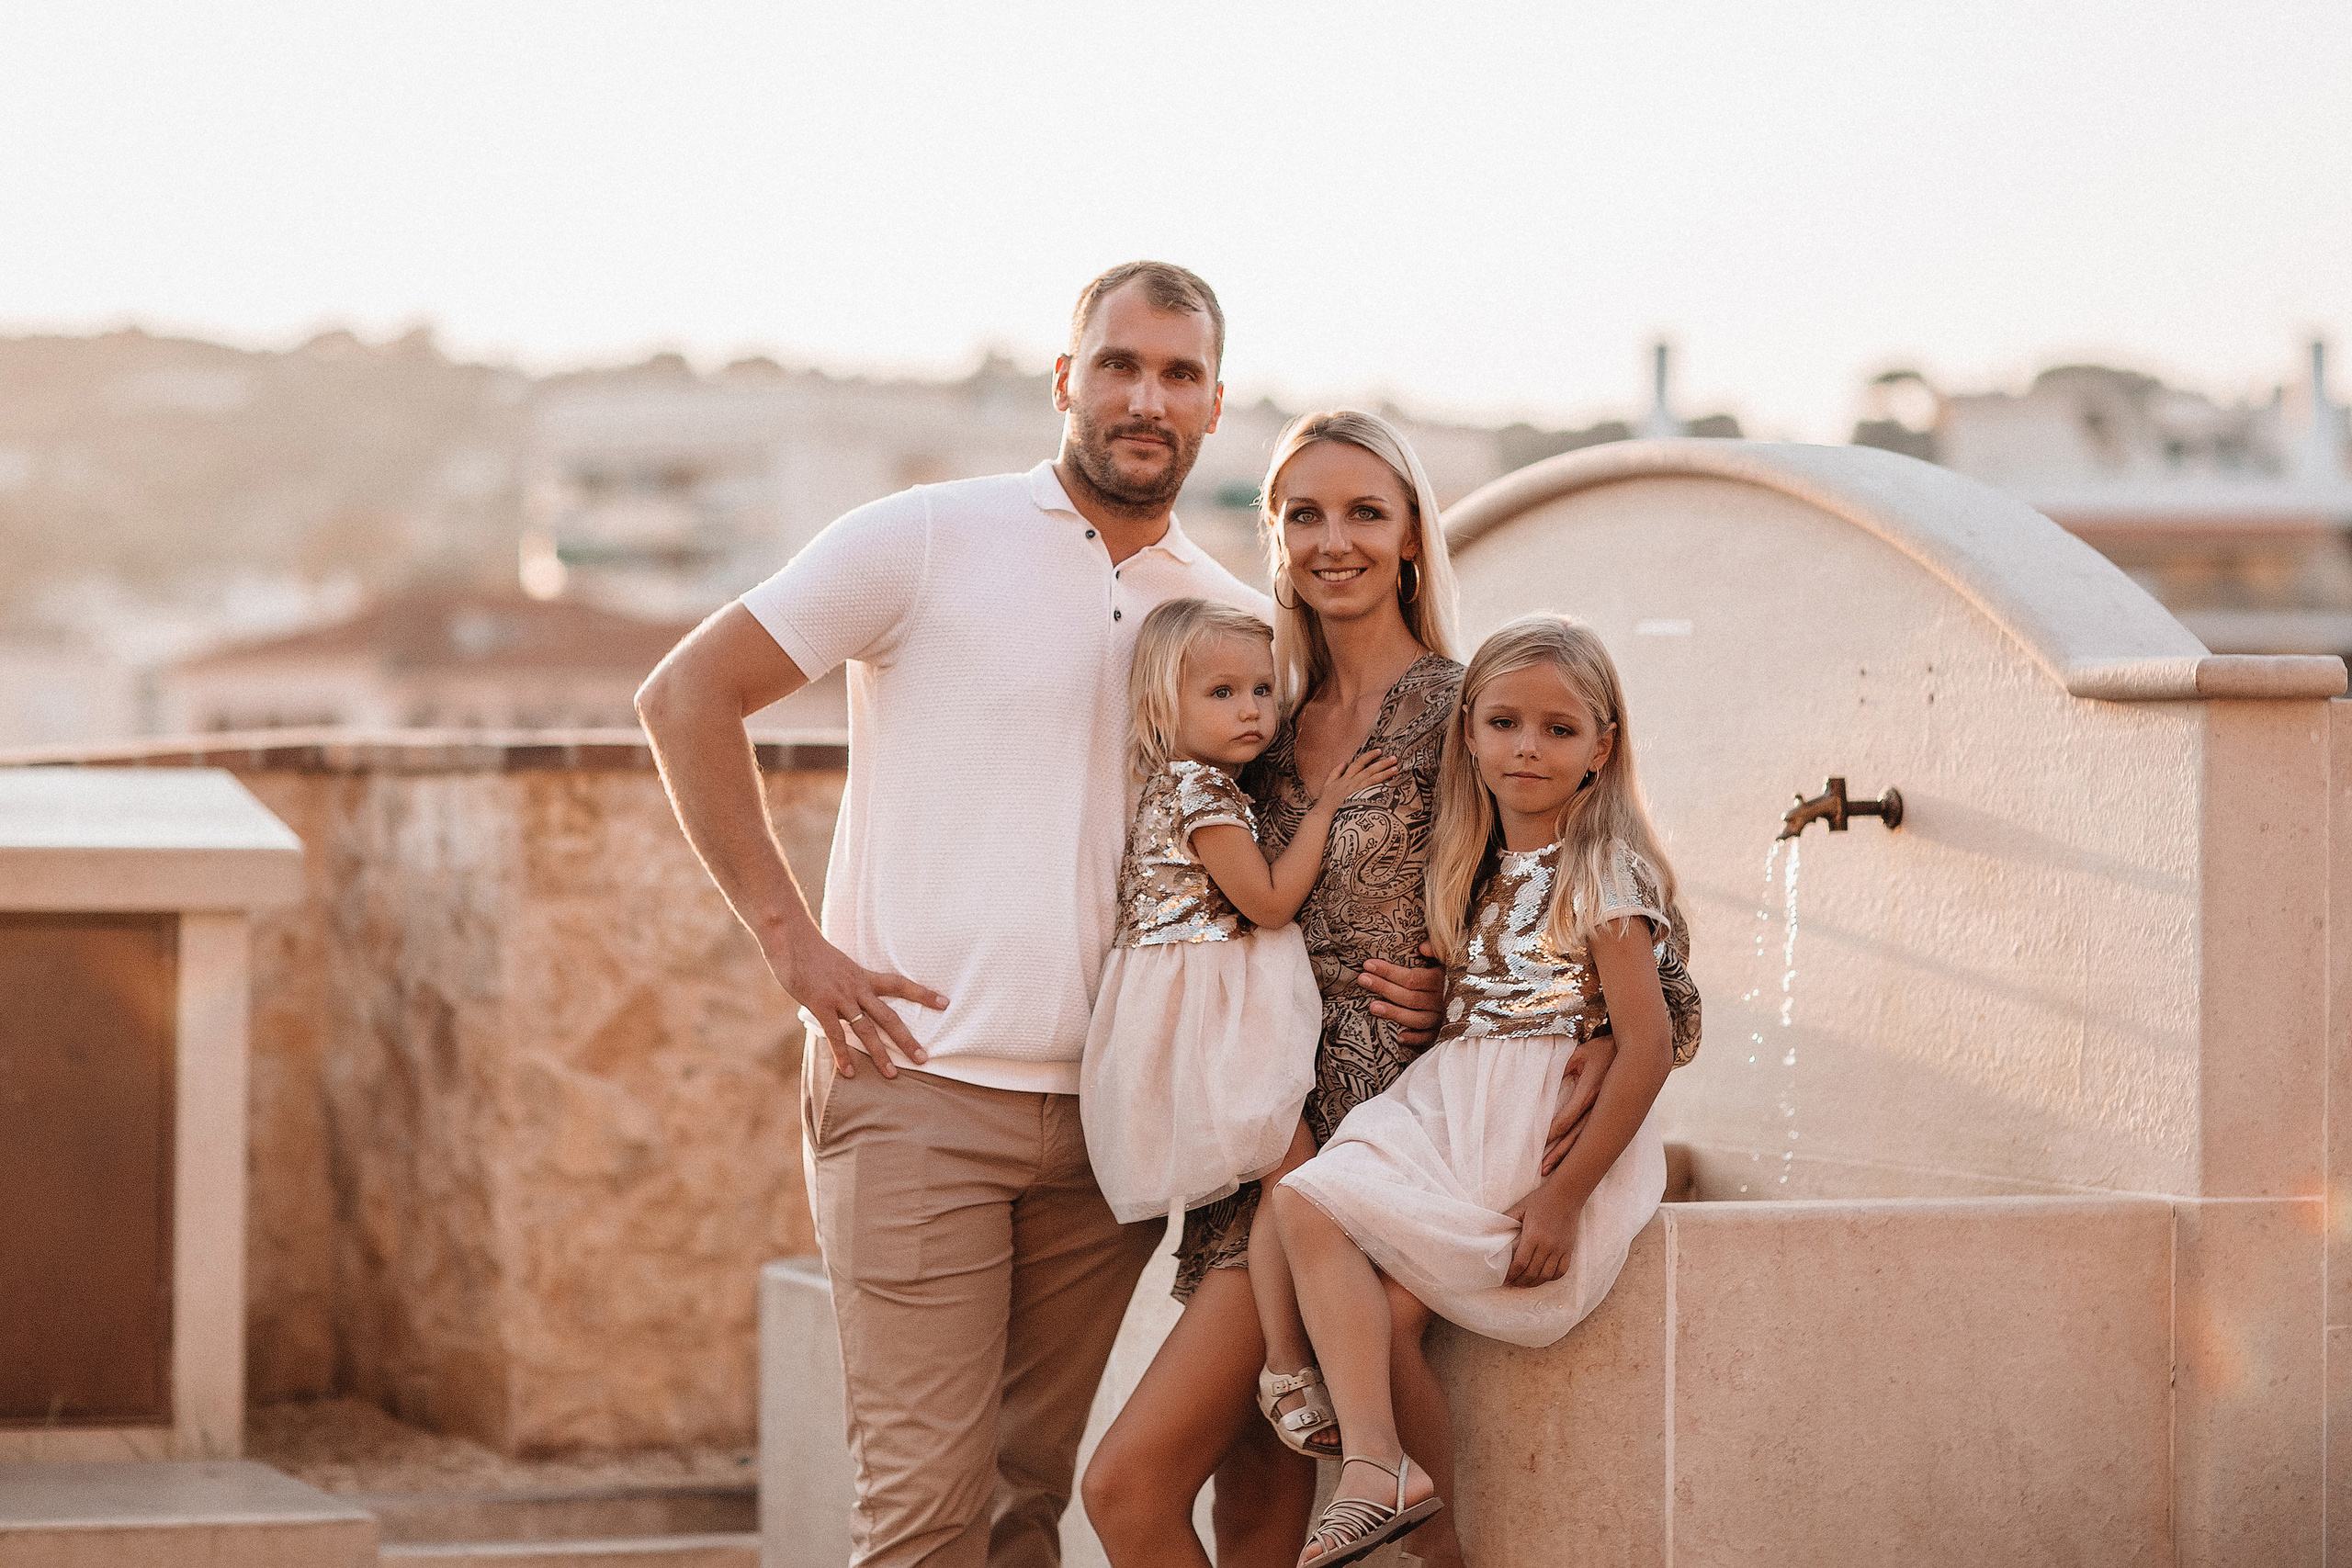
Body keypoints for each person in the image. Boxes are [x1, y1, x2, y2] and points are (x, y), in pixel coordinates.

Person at [634, 264, 1453, 1568]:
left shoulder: (1232, 621)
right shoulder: (921, 536)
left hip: (1111, 1130)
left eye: (1179, 374)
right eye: (1120, 365)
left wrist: (1435, 988)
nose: (1147, 396)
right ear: (1067, 380)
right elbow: (686, 697)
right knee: (923, 1515)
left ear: (1215, 404)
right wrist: (793, 944)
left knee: (1027, 1503)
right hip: (917, 1089)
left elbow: (1294, 873)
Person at [1085, 412, 1583, 1568]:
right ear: (1273, 534)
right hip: (1254, 1123)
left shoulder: (1468, 709)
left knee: (1128, 1486)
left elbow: (1578, 896)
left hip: (1377, 1127)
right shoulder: (1256, 710)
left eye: (1365, 510)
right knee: (1252, 1508)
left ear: (1412, 532)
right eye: (1302, 513)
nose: (1333, 540)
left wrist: (1463, 1003)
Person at [1257, 615, 1695, 1566]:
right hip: (1455, 1099)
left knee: (1384, 1291)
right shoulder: (1474, 868)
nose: (1526, 748)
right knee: (1311, 1207)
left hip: (1533, 1126)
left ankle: (1404, 1504)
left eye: (1557, 729)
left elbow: (1650, 1045)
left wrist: (1562, 1196)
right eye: (1501, 723)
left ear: (1601, 748)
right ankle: (1394, 1483)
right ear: (1468, 735)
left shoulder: (1601, 868)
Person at [1082, 598, 1399, 1228]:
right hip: (1210, 1009)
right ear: (1160, 706)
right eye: (1222, 692)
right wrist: (1325, 807)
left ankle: (1283, 1330)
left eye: (1262, 688)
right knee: (1295, 1181)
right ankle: (1291, 1328)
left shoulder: (1186, 783)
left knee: (1283, 1188)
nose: (1252, 709)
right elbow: (1272, 903)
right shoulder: (1201, 790)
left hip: (1195, 1000)